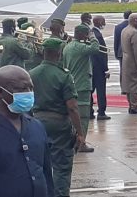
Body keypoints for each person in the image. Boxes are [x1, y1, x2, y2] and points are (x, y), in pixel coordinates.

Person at [31, 38, 84, 197]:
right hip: (59, 123)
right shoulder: (64, 76)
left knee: (39, 164)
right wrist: (80, 133)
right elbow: (72, 107)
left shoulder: (32, 73)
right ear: (59, 54)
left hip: (36, 122)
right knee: (61, 166)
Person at [0, 65, 54, 197]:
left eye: (31, 88)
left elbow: (46, 172)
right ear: (0, 91)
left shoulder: (36, 126)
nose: (28, 93)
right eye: (21, 89)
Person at [62, 25, 101, 153]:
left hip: (72, 84)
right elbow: (96, 48)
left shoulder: (68, 47)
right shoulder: (80, 47)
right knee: (83, 117)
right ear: (82, 35)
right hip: (82, 86)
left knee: (72, 117)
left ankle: (74, 141)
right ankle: (81, 142)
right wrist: (93, 37)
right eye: (86, 35)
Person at [90, 16, 110, 121]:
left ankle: (90, 111)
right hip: (99, 68)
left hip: (92, 67)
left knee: (91, 90)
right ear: (98, 22)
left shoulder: (92, 33)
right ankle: (101, 112)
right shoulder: (97, 35)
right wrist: (106, 69)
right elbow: (102, 54)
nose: (104, 23)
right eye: (103, 21)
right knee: (101, 91)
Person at [114, 10, 132, 80]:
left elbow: (116, 41)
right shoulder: (133, 26)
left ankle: (123, 87)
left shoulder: (118, 27)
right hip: (131, 53)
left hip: (121, 52)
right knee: (131, 71)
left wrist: (116, 53)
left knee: (122, 71)